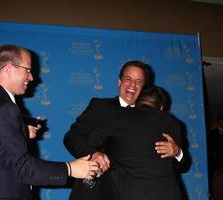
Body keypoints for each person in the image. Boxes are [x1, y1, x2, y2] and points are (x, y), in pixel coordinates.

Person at [0, 44, 99, 200]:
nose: (31, 77)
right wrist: (71, 169)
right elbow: (22, 168)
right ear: (9, 68)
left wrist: (20, 132)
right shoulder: (3, 108)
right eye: (27, 70)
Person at [64, 60, 184, 200]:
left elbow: (171, 166)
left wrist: (177, 152)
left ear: (144, 87)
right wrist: (93, 154)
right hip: (98, 188)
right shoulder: (101, 107)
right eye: (128, 79)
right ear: (119, 81)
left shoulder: (159, 121)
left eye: (139, 81)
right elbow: (71, 137)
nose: (133, 85)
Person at [85, 84, 185, 200]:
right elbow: (181, 166)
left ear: (136, 102)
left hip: (127, 193)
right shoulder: (174, 124)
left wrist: (96, 154)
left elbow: (89, 143)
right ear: (161, 107)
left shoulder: (117, 114)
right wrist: (178, 152)